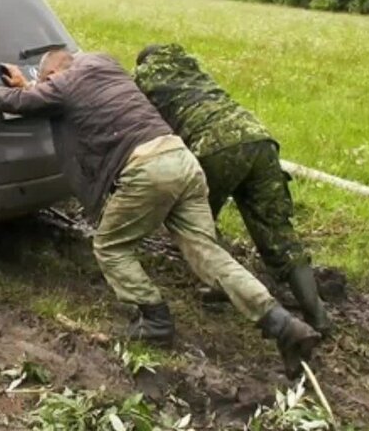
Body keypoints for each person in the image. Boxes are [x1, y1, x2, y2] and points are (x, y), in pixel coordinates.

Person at [0, 50, 320, 378]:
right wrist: (33, 85)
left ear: (52, 73)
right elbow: (53, 96)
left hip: (147, 169)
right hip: (183, 161)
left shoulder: (62, 85)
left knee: (111, 246)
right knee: (209, 254)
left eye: (45, 77)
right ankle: (286, 327)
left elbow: (26, 101)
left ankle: (155, 320)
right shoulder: (104, 64)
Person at [133, 43, 331, 335]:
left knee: (195, 224)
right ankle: (319, 317)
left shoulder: (143, 75)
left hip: (213, 146)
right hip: (258, 138)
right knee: (278, 232)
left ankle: (221, 285)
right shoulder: (190, 65)